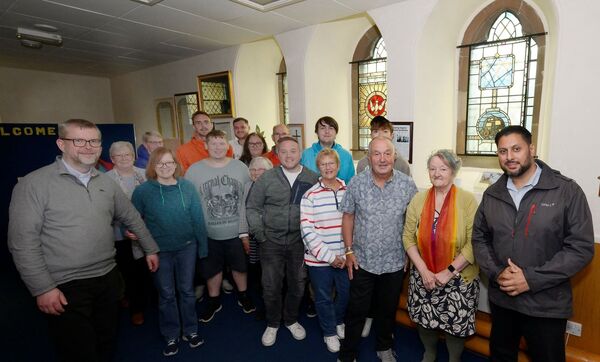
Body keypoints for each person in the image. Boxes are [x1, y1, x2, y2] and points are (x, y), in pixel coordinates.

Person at [7, 119, 159, 362]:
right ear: (61, 144)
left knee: (106, 340)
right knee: (78, 349)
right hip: (64, 284)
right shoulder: (33, 184)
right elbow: (22, 242)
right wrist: (42, 288)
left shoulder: (106, 183)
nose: (88, 147)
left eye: (94, 141)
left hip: (108, 276)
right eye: (79, 140)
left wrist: (150, 248)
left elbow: (131, 217)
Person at [472, 125, 594, 362]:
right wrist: (498, 274)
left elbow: (580, 247)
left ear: (531, 149)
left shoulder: (566, 190)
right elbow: (479, 238)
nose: (509, 157)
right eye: (503, 151)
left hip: (546, 304)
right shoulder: (493, 194)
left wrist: (530, 279)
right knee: (501, 356)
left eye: (516, 149)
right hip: (503, 299)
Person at [338, 136, 418, 362]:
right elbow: (348, 217)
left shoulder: (407, 184)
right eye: (377, 153)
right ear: (369, 157)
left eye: (387, 153)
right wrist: (349, 251)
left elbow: (412, 222)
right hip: (362, 260)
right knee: (356, 311)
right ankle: (348, 353)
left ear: (394, 156)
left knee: (387, 310)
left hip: (394, 261)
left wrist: (409, 253)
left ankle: (384, 347)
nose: (382, 159)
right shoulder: (356, 183)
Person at [403, 149, 480, 362]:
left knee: (455, 324)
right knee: (425, 319)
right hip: (424, 274)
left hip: (458, 275)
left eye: (443, 168)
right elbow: (408, 238)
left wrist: (449, 271)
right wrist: (423, 270)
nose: (437, 173)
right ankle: (430, 352)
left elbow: (474, 241)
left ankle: (454, 357)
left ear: (453, 172)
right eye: (432, 168)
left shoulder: (467, 200)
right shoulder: (418, 200)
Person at [132, 147, 207, 357]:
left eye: (169, 163)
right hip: (158, 251)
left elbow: (198, 218)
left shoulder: (188, 187)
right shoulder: (143, 191)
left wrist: (203, 247)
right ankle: (171, 333)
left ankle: (191, 330)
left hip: (187, 247)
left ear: (176, 165)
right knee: (166, 294)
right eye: (160, 163)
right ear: (153, 167)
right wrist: (132, 233)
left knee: (187, 291)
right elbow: (133, 219)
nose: (165, 167)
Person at [246, 136, 319, 347]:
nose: (289, 155)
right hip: (270, 242)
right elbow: (252, 207)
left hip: (299, 242)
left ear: (300, 153)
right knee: (270, 285)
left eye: (293, 151)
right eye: (284, 151)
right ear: (277, 154)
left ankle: (291, 319)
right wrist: (260, 234)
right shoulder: (267, 178)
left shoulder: (312, 178)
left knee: (297, 284)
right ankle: (273, 323)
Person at [185, 129, 255, 322]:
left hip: (237, 231)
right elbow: (188, 201)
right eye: (213, 143)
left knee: (240, 267)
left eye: (221, 143)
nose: (218, 147)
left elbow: (250, 195)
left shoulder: (240, 167)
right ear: (205, 146)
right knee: (211, 269)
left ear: (228, 146)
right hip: (208, 232)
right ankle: (214, 300)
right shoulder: (194, 170)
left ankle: (243, 295)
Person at [300, 148, 349, 353]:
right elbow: (307, 231)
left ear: (338, 166)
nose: (328, 168)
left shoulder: (349, 191)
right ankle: (329, 332)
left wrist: (347, 254)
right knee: (323, 297)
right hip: (319, 260)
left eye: (332, 164)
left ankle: (338, 320)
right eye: (323, 164)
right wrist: (330, 258)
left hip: (346, 258)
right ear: (318, 167)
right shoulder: (310, 195)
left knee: (346, 293)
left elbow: (355, 223)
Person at [106, 141, 149, 326]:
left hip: (146, 231)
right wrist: (127, 229)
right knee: (128, 271)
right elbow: (106, 209)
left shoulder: (145, 175)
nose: (124, 158)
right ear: (112, 158)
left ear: (134, 156)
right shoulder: (105, 179)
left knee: (146, 269)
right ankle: (136, 308)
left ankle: (148, 300)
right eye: (119, 155)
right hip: (120, 234)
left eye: (127, 155)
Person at [238, 156, 274, 319]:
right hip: (253, 238)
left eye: (262, 169)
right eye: (253, 169)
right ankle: (264, 303)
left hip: (272, 239)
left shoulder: (276, 186)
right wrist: (244, 235)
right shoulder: (247, 186)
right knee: (258, 271)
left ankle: (273, 306)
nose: (256, 172)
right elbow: (243, 212)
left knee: (272, 272)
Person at [301, 116, 355, 184]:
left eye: (331, 128)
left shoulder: (346, 156)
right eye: (322, 128)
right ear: (317, 133)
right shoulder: (306, 154)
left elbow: (351, 183)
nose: (327, 131)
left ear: (336, 134)